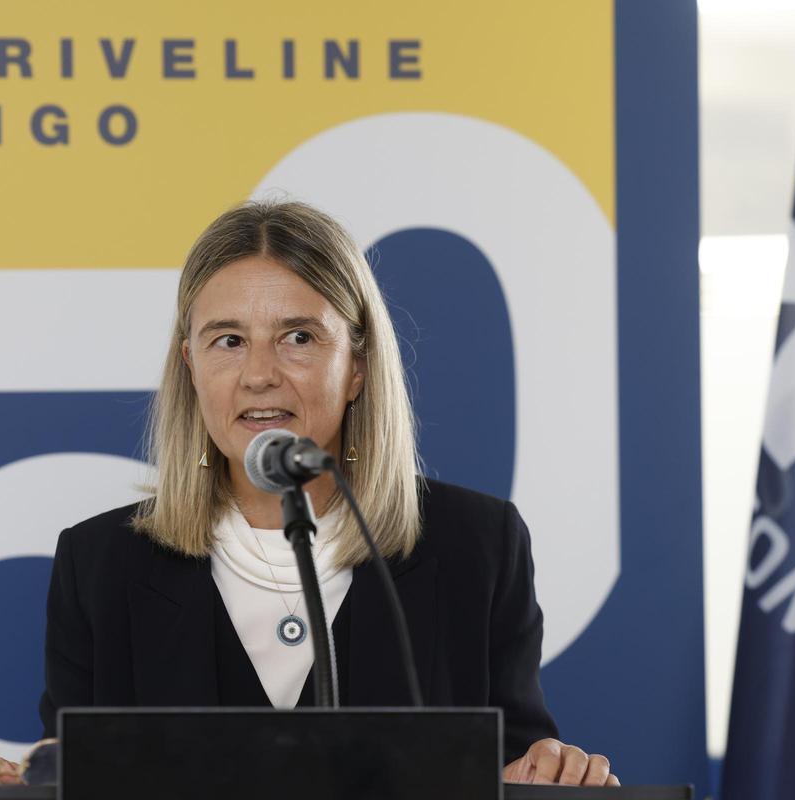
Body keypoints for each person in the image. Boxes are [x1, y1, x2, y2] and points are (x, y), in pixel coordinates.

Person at [38, 200, 618, 786]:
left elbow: (517, 768)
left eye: (298, 336)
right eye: (228, 341)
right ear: (190, 365)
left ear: (357, 366)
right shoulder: (98, 564)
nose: (259, 374)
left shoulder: (478, 545)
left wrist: (551, 773)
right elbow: (67, 776)